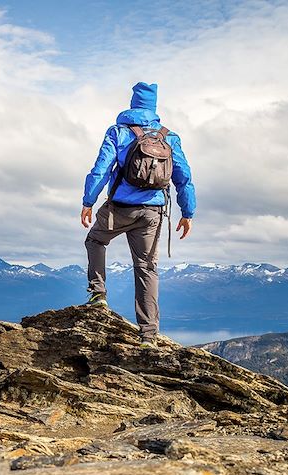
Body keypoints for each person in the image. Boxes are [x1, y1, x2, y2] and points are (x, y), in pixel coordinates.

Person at [81, 82, 196, 348]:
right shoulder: (169, 137)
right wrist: (187, 212)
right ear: (154, 107)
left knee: (96, 240)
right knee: (146, 269)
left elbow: (100, 170)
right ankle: (148, 336)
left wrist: (88, 201)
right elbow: (184, 177)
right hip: (152, 213)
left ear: (133, 103)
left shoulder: (118, 132)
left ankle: (98, 294)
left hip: (118, 209)